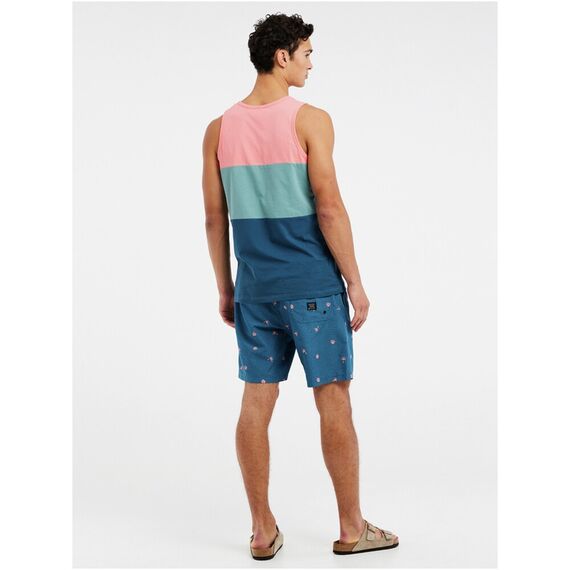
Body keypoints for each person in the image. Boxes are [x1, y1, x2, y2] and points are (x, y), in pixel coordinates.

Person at [201, 12, 399, 559]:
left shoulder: (219, 129)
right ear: (282, 56)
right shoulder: (311, 119)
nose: (311, 64)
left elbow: (215, 219)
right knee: (333, 401)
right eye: (307, 53)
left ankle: (262, 531)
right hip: (313, 287)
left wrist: (226, 288)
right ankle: (352, 529)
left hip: (255, 290)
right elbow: (329, 207)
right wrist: (355, 281)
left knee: (255, 403)